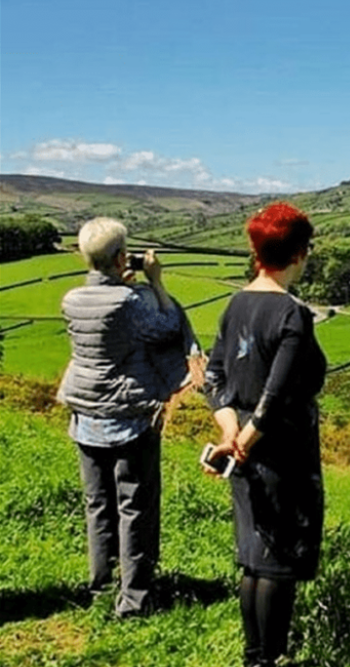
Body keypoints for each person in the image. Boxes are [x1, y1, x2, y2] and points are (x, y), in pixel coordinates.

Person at [203, 202, 327, 667]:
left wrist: (230, 428)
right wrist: (248, 436)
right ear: (298, 253)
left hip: (245, 455)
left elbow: (215, 375)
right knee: (278, 564)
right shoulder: (293, 315)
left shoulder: (236, 303)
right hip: (283, 453)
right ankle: (269, 660)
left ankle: (254, 656)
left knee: (255, 556)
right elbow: (279, 395)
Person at [57, 217, 198, 617]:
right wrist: (155, 282)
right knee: (135, 505)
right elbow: (168, 327)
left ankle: (101, 586)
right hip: (128, 418)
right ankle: (135, 598)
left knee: (97, 504)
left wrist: (121, 278)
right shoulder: (130, 302)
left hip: (85, 414)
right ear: (121, 257)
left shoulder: (71, 300)